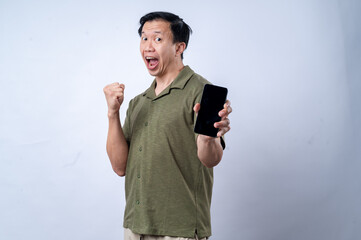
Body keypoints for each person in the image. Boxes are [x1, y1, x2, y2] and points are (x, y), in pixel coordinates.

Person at [103, 11, 232, 240]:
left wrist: (208, 137)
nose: (148, 46)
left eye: (158, 38)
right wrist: (113, 114)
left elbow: (210, 159)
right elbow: (120, 167)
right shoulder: (138, 103)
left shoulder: (201, 92)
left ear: (179, 48)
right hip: (136, 226)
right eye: (144, 38)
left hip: (179, 229)